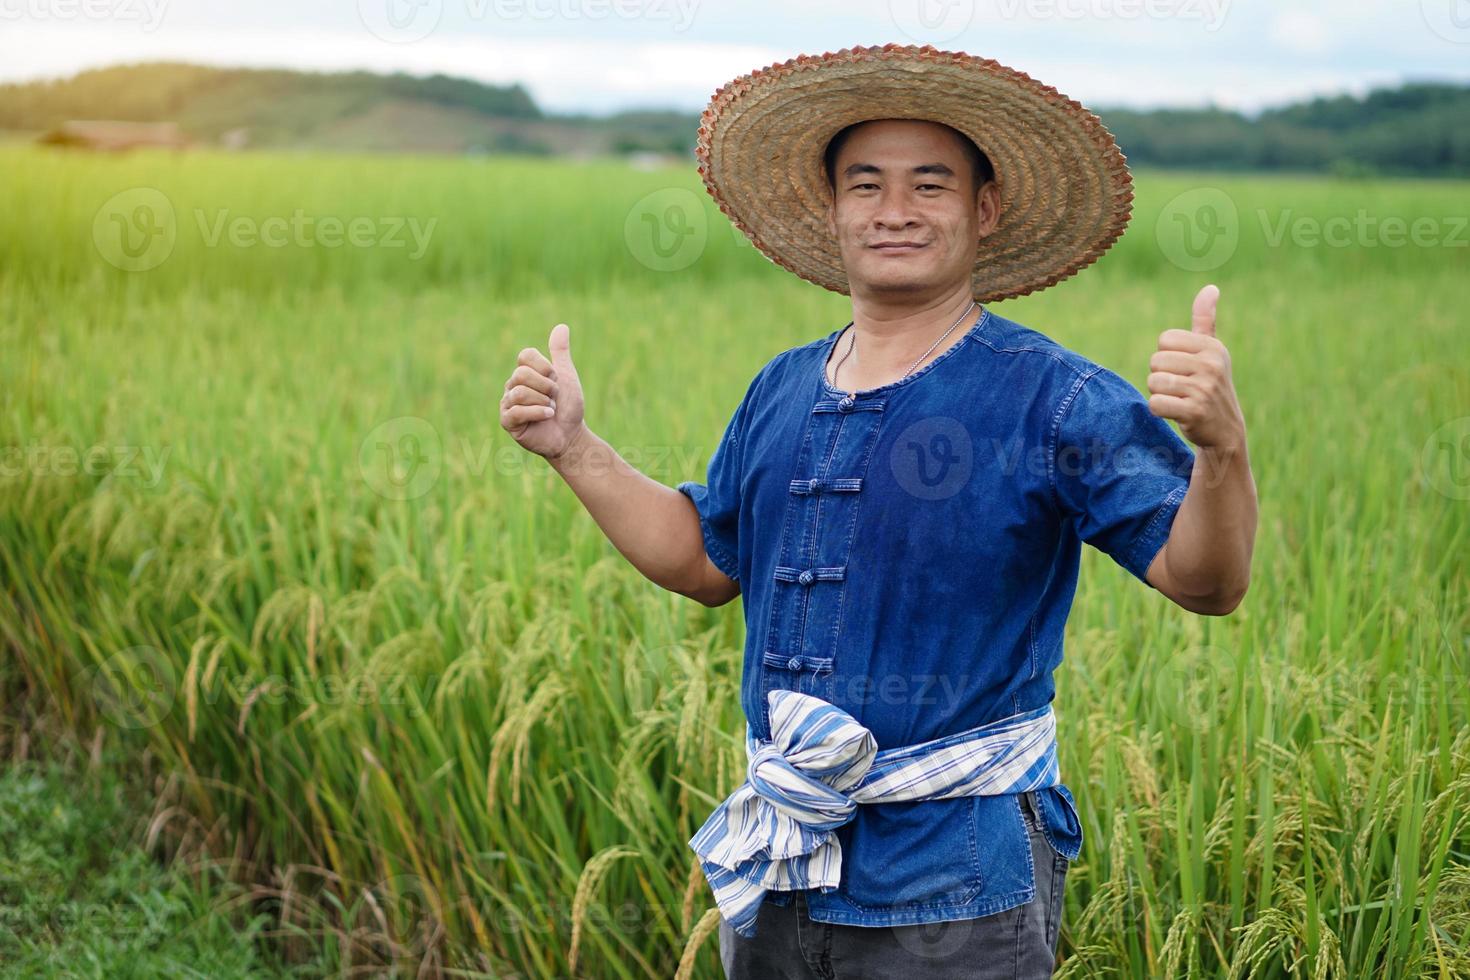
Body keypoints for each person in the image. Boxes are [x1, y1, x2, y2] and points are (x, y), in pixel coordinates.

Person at [499, 42, 1257, 979]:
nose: (894, 210)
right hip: (781, 865)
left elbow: (1207, 581)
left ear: (984, 209)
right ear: (833, 210)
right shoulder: (780, 388)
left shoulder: (1051, 398)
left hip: (956, 885)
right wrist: (575, 448)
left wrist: (1223, 451)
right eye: (866, 185)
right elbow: (705, 563)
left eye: (929, 185)